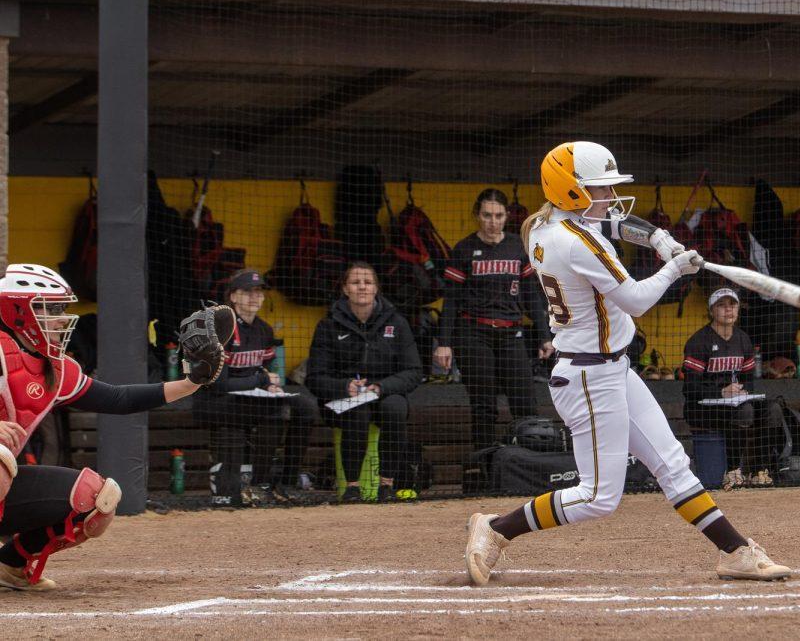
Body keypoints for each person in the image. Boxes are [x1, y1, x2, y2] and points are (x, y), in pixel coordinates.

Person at [463, 141, 791, 585]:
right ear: (572, 192)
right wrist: (674, 267)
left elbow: (614, 223)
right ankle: (495, 529)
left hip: (611, 367)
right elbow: (635, 300)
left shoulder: (542, 224)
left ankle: (736, 551)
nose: (609, 197)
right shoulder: (576, 243)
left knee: (673, 463)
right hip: (588, 377)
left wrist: (658, 238)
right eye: (599, 189)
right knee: (599, 497)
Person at [0, 264, 207, 591]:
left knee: (97, 498)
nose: (60, 318)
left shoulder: (55, 368)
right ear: (18, 311)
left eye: (61, 309)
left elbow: (118, 398)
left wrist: (191, 383)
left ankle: (11, 565)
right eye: (50, 309)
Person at [435, 188, 553, 466]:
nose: (492, 221)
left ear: (506, 216)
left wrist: (545, 337)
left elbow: (532, 296)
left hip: (512, 332)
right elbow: (450, 300)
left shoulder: (517, 247)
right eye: (487, 215)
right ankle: (485, 468)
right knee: (484, 404)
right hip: (473, 333)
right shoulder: (464, 249)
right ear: (477, 215)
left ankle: (531, 466)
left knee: (524, 399)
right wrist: (443, 342)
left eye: (498, 215)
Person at [191, 269, 320, 507]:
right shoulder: (220, 327)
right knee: (270, 411)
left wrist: (272, 383)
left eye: (259, 292)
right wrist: (261, 381)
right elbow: (217, 384)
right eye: (248, 292)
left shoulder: (263, 330)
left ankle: (283, 482)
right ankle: (256, 484)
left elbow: (269, 369)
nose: (255, 297)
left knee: (306, 407)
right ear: (233, 296)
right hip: (211, 401)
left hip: (249, 399)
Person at [306, 262, 423, 503]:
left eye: (368, 282)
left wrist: (382, 387)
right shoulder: (328, 324)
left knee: (395, 407)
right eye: (355, 282)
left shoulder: (397, 323)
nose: (362, 287)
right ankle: (352, 488)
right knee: (357, 409)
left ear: (376, 288)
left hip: (384, 394)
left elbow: (413, 371)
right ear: (345, 289)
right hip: (341, 399)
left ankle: (387, 485)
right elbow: (314, 377)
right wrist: (344, 386)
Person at [682, 288, 782, 490]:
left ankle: (759, 471)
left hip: (734, 403)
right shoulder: (699, 341)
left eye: (732, 305)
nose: (728, 310)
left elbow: (749, 380)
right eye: (721, 305)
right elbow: (690, 388)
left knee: (772, 409)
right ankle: (734, 471)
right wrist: (720, 393)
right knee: (744, 411)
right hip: (701, 408)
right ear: (711, 311)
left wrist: (742, 391)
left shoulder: (743, 339)